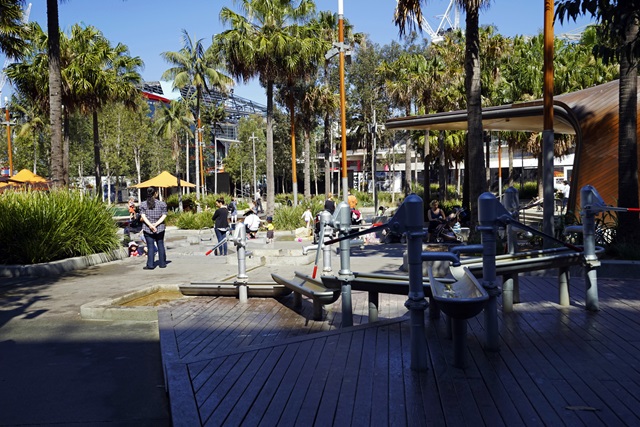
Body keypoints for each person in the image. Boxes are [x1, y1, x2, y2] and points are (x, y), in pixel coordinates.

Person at [140, 187, 167, 270]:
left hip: (147, 228)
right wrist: (156, 224)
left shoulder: (143, 204)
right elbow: (164, 215)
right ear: (156, 193)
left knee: (150, 246)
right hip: (160, 228)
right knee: (160, 244)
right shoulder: (162, 204)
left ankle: (150, 264)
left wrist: (150, 226)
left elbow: (143, 216)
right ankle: (162, 264)